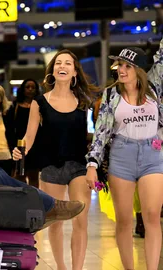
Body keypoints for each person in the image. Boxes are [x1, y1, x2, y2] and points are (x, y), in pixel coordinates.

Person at [12, 49, 99, 270]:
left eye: (68, 63)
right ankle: (61, 267)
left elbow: (98, 134)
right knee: (56, 220)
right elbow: (29, 136)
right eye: (58, 62)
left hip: (78, 164)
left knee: (81, 218)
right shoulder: (39, 102)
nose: (62, 66)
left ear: (74, 72)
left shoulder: (84, 101)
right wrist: (20, 150)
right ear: (52, 71)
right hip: (50, 165)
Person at [86, 45, 163, 270]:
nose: (121, 69)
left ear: (139, 69)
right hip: (121, 156)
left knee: (151, 216)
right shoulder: (111, 94)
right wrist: (92, 164)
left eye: (127, 65)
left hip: (152, 154)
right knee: (125, 220)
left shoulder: (154, 87)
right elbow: (101, 132)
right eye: (119, 64)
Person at [6, 79, 42, 187]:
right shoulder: (15, 106)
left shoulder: (40, 106)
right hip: (19, 144)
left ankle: (34, 198)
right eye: (27, 87)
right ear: (23, 89)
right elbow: (10, 127)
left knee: (34, 176)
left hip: (36, 146)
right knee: (19, 175)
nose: (30, 90)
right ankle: (22, 199)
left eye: (33, 87)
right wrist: (12, 145)